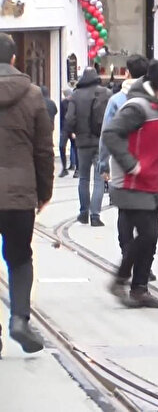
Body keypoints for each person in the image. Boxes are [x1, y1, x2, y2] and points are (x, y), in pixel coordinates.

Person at [104, 61, 158, 308]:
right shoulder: (137, 108)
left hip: (153, 179)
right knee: (147, 234)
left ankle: (139, 288)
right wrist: (130, 164)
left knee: (150, 237)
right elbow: (110, 134)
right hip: (132, 181)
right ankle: (122, 280)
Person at [0, 33, 53, 354]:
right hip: (19, 194)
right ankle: (20, 319)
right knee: (20, 259)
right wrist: (44, 192)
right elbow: (44, 152)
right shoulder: (33, 95)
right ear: (14, 59)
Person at [64, 67, 112, 226]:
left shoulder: (75, 95)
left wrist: (72, 133)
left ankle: (84, 212)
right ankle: (95, 215)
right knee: (99, 179)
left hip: (83, 143)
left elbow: (69, 119)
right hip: (100, 141)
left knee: (83, 178)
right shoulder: (105, 93)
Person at [58, 88, 78, 177]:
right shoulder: (63, 103)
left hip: (73, 128)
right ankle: (64, 168)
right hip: (65, 128)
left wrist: (75, 130)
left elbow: (77, 116)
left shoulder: (76, 102)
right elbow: (62, 117)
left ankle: (78, 169)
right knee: (61, 146)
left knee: (76, 148)